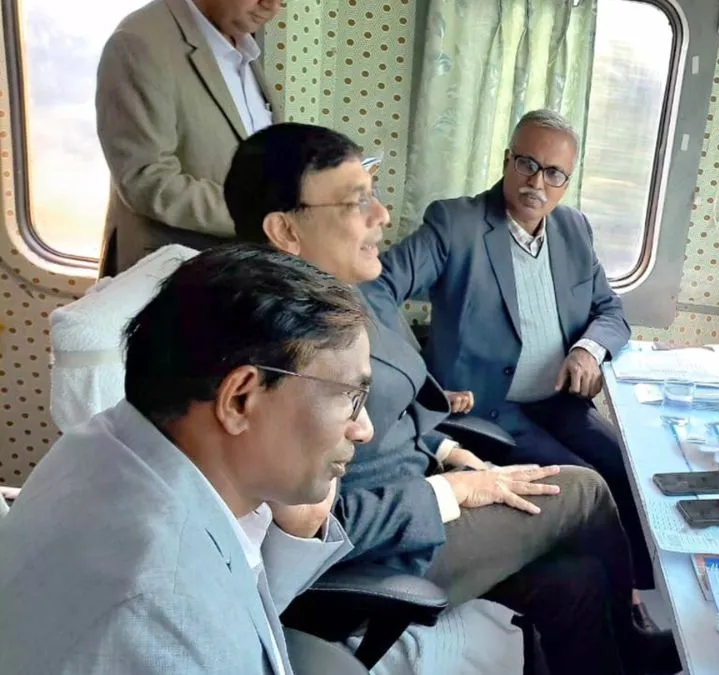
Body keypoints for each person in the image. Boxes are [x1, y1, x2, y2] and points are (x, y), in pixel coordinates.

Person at [227, 123, 681, 675]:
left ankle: (622, 654)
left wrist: (445, 450)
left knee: (577, 580)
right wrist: (451, 490)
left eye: (555, 173)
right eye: (356, 202)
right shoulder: (291, 354)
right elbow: (320, 526)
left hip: (436, 476)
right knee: (585, 492)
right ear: (285, 230)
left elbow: (390, 419)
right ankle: (635, 642)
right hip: (391, 544)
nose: (382, 216)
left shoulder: (341, 298)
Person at [0, 245, 368, 674]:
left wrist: (297, 528)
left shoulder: (106, 441)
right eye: (350, 396)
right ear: (239, 399)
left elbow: (233, 602)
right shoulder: (160, 617)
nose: (363, 429)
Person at [362, 109, 654, 592]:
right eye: (527, 164)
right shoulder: (455, 223)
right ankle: (615, 604)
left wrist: (587, 350)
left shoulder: (574, 230)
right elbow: (375, 287)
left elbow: (610, 310)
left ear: (567, 182)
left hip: (559, 402)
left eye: (554, 173)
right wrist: (417, 381)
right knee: (585, 484)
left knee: (628, 469)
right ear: (506, 160)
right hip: (489, 411)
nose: (537, 182)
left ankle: (639, 591)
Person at [95, 0, 283, 276]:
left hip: (241, 271)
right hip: (173, 276)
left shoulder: (240, 43)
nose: (273, 6)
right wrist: (265, 217)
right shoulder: (139, 42)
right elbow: (147, 180)